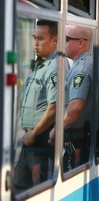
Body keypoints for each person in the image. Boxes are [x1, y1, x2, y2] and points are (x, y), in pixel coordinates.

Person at [14, 20, 59, 193]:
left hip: (41, 140)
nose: (35, 44)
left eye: (40, 38)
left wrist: (34, 132)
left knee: (37, 188)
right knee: (19, 185)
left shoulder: (54, 68)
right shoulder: (41, 65)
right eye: (34, 38)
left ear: (54, 41)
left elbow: (54, 108)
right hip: (30, 141)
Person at [49, 25, 93, 171]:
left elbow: (75, 108)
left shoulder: (81, 69)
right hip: (88, 139)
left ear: (81, 43)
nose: (62, 43)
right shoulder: (93, 62)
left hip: (77, 142)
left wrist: (57, 129)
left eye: (66, 39)